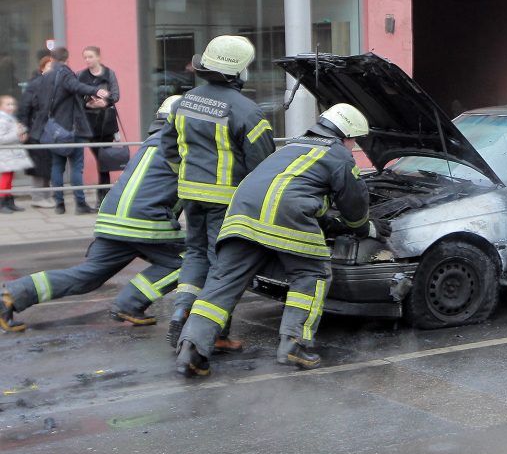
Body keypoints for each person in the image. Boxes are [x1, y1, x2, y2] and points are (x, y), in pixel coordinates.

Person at [175, 103, 389, 377]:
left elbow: (290, 187)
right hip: (284, 216)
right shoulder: (338, 156)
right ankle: (294, 343)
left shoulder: (292, 146)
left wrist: (325, 221)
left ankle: (191, 348)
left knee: (222, 282)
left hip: (242, 216)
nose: (353, 146)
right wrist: (365, 229)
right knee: (312, 273)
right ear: (346, 135)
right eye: (354, 140)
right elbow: (354, 205)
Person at [0, 97, 185, 333]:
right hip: (144, 221)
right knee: (190, 259)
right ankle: (130, 303)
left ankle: (11, 296)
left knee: (87, 276)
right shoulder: (182, 145)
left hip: (112, 218)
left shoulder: (152, 142)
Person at [160, 35, 275, 350]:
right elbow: (262, 169)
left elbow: (169, 149)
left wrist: (184, 182)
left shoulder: (184, 101)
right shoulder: (248, 112)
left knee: (195, 256)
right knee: (222, 267)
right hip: (226, 202)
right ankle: (215, 334)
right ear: (238, 72)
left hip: (190, 196)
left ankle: (183, 307)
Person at [31, 47, 110, 215]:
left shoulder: (45, 77)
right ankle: (80, 205)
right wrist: (96, 90)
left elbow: (37, 101)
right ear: (66, 58)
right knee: (76, 167)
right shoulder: (65, 74)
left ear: (52, 58)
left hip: (53, 130)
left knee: (57, 167)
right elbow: (76, 87)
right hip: (71, 129)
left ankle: (60, 205)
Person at [78, 45, 121, 207]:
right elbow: (77, 94)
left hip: (106, 123)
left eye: (90, 57)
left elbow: (116, 95)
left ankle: (102, 198)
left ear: (98, 57)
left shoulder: (109, 74)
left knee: (104, 161)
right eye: (85, 57)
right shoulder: (81, 75)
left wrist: (105, 101)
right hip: (89, 123)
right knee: (100, 159)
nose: (87, 60)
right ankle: (102, 197)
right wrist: (89, 104)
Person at [17, 56, 56, 208]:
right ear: (42, 68)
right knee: (39, 166)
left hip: (51, 131)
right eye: (49, 66)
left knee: (49, 165)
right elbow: (24, 107)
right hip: (36, 131)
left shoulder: (56, 84)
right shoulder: (35, 85)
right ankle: (38, 197)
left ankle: (46, 196)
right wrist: (23, 127)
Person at [0, 95, 33, 213]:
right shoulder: (2, 120)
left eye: (12, 104)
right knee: (6, 178)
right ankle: (2, 202)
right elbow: (1, 138)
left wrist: (22, 133)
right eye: (7, 104)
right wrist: (17, 133)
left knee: (9, 178)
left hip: (11, 154)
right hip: (5, 154)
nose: (11, 107)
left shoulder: (10, 118)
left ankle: (9, 201)